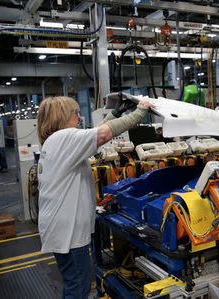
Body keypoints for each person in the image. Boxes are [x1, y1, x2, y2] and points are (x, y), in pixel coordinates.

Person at [37, 96, 153, 299]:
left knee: (74, 283)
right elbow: (102, 135)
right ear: (63, 117)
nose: (79, 117)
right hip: (68, 232)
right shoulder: (64, 138)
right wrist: (139, 113)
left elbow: (93, 133)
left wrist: (117, 113)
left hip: (60, 227)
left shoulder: (55, 141)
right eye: (75, 113)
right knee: (78, 287)